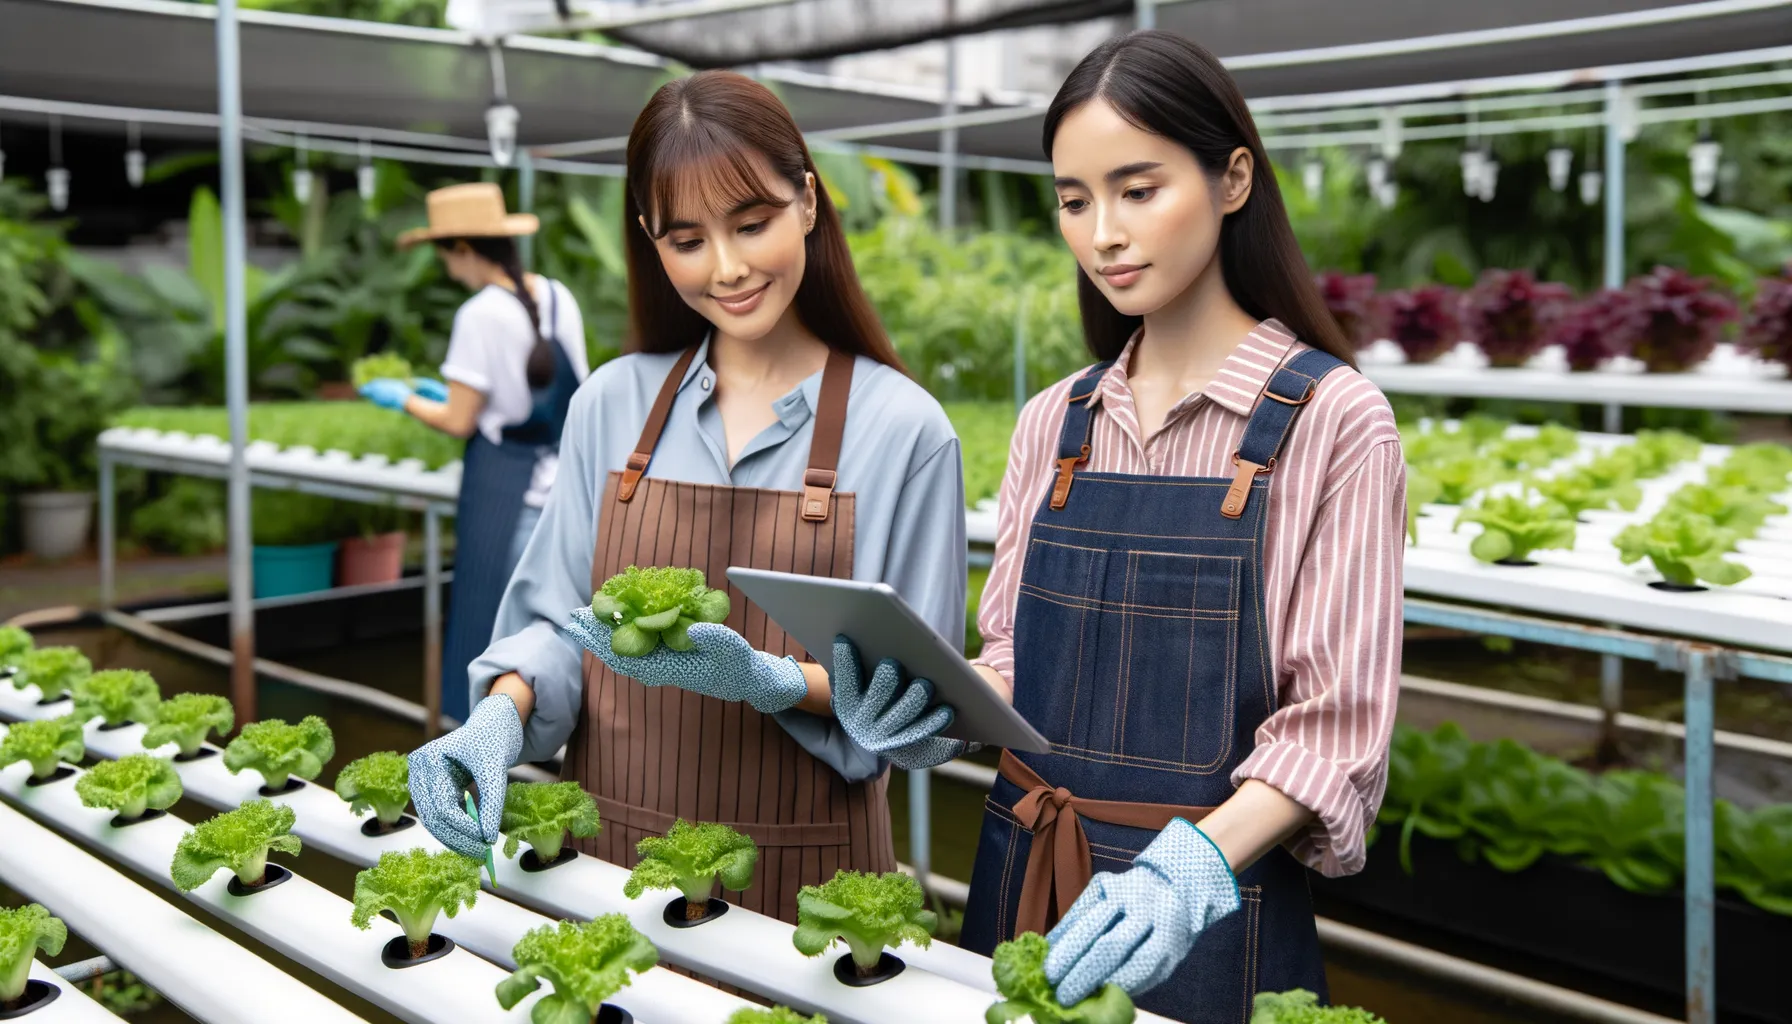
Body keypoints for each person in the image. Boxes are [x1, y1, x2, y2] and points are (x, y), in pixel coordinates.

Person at [844, 31, 1404, 1021]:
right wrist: (936, 709)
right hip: (1021, 880)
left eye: (1138, 190)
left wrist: (1187, 871)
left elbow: (1335, 731)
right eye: (1074, 201)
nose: (1103, 233)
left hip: (1208, 908)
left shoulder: (1333, 420)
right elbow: (1016, 662)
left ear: (1234, 180)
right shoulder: (1055, 422)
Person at [403, 70, 967, 923]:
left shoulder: (904, 430)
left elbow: (926, 708)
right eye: (688, 239)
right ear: (650, 239)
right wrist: (499, 717)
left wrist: (777, 681)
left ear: (808, 202)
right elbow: (559, 624)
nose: (728, 268)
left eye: (753, 224)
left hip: (813, 896)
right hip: (608, 874)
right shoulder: (611, 404)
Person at [361, 182, 589, 723]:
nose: (446, 268)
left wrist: (406, 399)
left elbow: (459, 420)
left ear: (463, 248)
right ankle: (548, 744)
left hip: (503, 494)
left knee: (488, 629)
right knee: (552, 630)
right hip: (562, 492)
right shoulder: (558, 296)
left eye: (444, 255)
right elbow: (576, 396)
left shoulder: (479, 313)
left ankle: (475, 744)